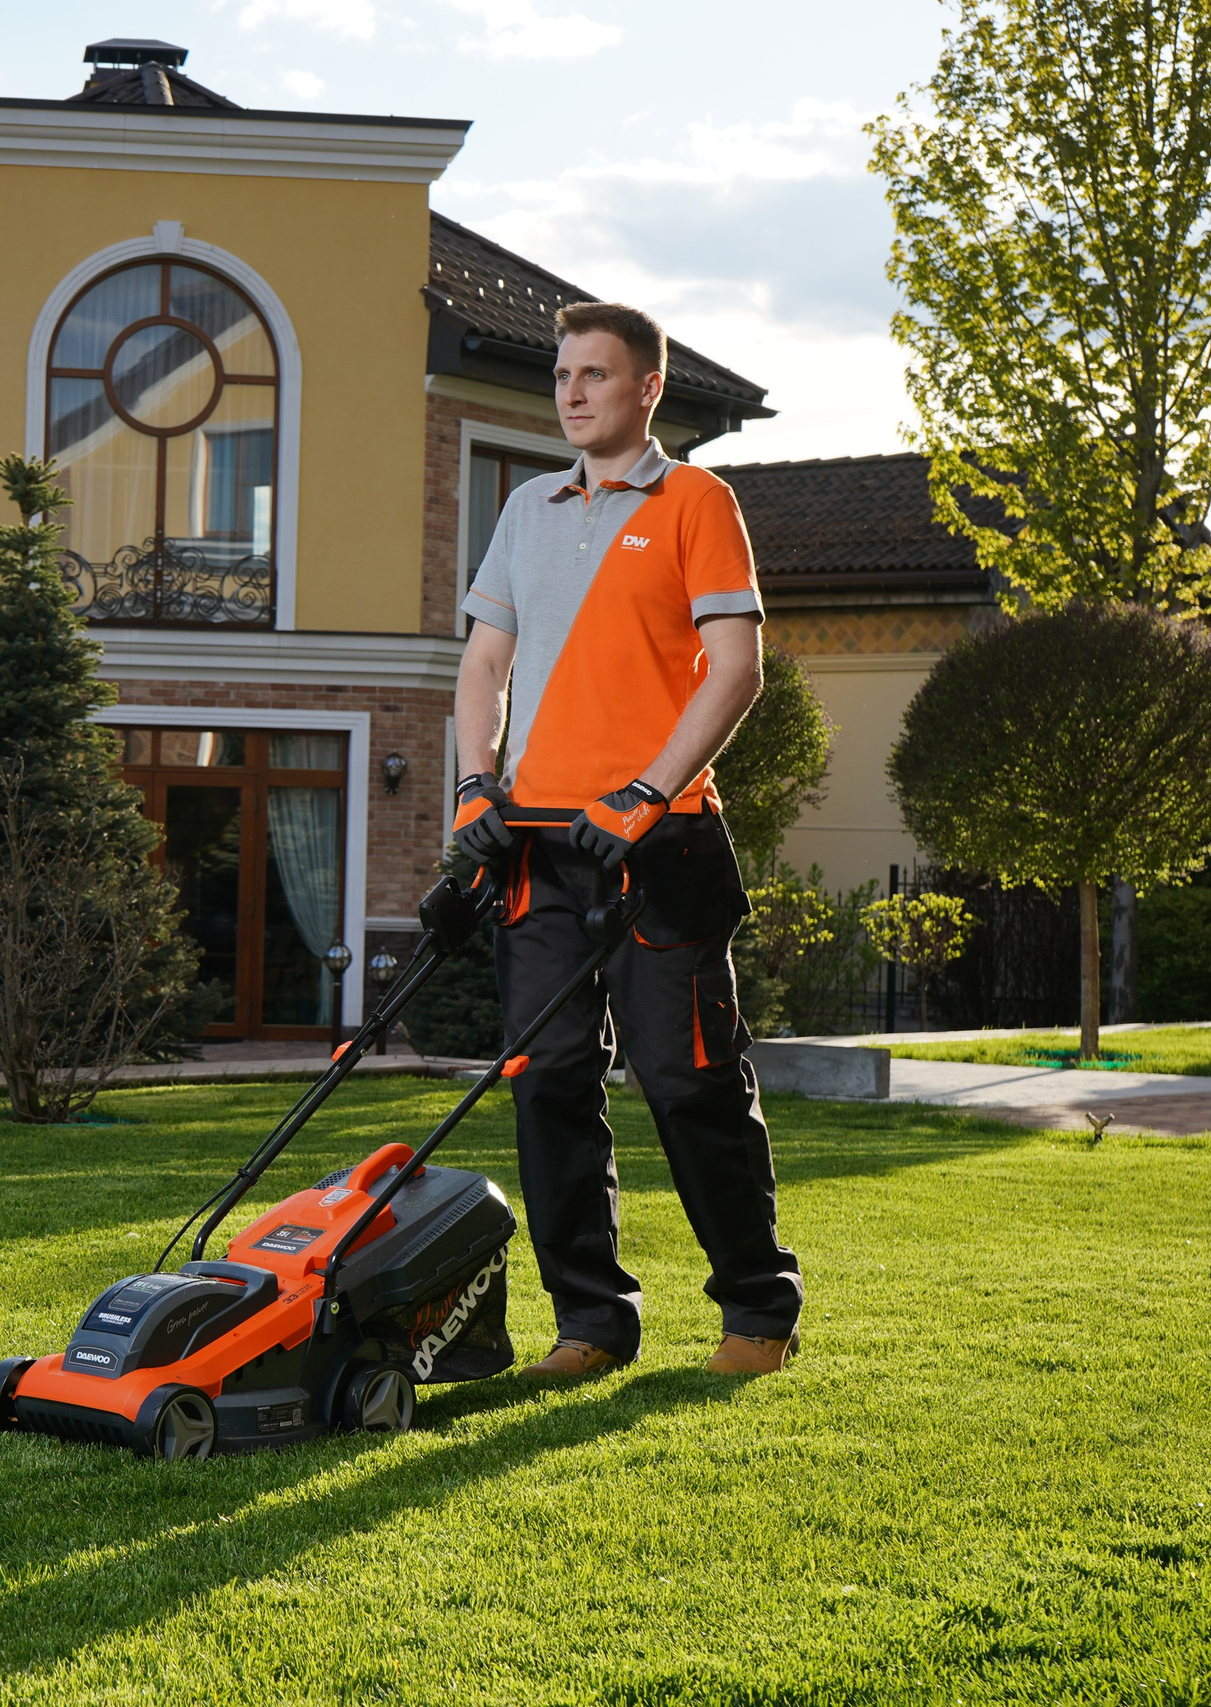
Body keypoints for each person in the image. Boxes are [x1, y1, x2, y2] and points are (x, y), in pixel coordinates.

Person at [450, 300, 802, 1380]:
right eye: (562, 374)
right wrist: (473, 787)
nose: (569, 392)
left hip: (662, 843)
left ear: (646, 388)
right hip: (540, 848)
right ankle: (590, 1323)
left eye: (593, 375)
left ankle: (756, 1312)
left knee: (687, 1078)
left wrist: (648, 791)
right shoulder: (526, 510)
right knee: (547, 1079)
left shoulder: (698, 500)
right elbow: (481, 666)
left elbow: (735, 665)